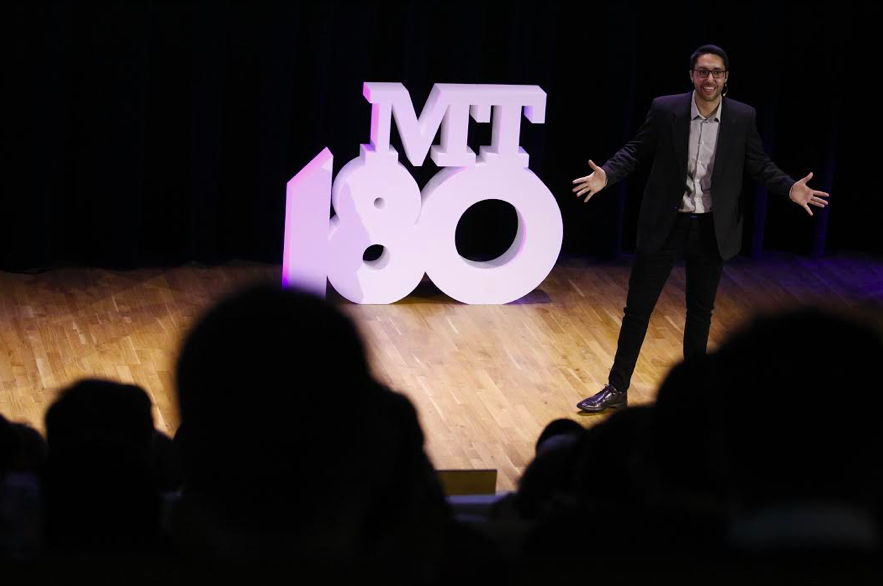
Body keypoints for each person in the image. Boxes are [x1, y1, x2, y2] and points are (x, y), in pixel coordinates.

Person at [571, 44, 829, 412]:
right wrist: (607, 175)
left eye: (717, 73)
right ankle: (616, 389)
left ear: (727, 78)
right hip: (667, 221)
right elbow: (636, 149)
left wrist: (790, 187)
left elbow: (758, 163)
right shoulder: (666, 110)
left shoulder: (742, 116)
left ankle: (692, 396)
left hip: (711, 225)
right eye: (703, 72)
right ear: (691, 75)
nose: (710, 79)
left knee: (700, 311)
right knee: (638, 309)